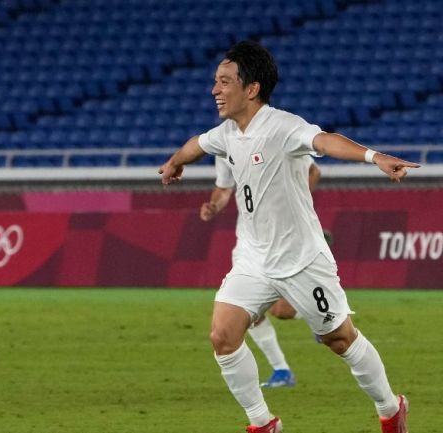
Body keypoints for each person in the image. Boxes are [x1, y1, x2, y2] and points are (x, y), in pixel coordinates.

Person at [159, 40, 418, 433]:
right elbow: (198, 143)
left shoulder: (283, 127)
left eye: (224, 82)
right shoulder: (228, 132)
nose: (215, 90)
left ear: (252, 88)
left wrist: (374, 157)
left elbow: (325, 141)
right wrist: (176, 162)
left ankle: (390, 407)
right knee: (222, 336)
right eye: (215, 81)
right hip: (253, 258)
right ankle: (263, 423)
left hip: (301, 259)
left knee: (339, 338)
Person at [200, 155, 322, 388]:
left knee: (283, 311)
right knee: (245, 310)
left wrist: (296, 209)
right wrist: (214, 205)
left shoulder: (275, 131)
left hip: (281, 240)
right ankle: (282, 371)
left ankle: (321, 316)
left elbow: (314, 171)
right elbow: (224, 188)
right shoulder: (223, 143)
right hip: (247, 246)